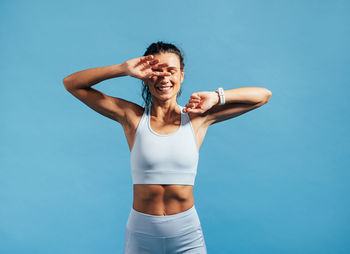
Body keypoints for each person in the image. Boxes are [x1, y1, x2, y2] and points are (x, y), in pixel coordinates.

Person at [63, 41, 272, 253]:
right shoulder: (132, 117)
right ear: (145, 76)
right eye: (156, 71)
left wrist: (217, 96)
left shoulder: (198, 118)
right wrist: (122, 69)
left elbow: (263, 96)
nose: (165, 78)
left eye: (171, 71)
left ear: (181, 75)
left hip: (187, 235)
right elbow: (72, 83)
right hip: (141, 234)